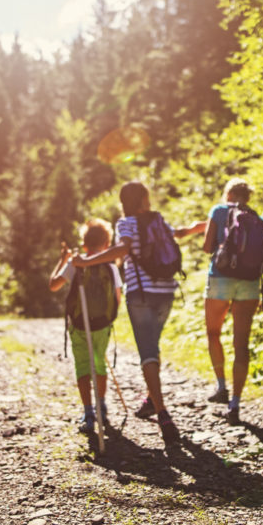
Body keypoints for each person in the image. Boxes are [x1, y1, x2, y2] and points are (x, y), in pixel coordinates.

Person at [73, 181, 204, 444]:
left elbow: (124, 249)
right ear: (144, 199)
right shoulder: (157, 220)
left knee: (147, 352)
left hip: (141, 293)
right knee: (152, 347)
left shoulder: (127, 223)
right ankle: (150, 400)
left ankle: (163, 413)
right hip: (167, 290)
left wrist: (87, 261)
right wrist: (200, 227)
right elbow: (178, 233)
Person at [49, 219, 122, 434]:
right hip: (102, 324)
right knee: (99, 362)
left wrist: (63, 260)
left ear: (84, 242)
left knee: (82, 365)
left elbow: (53, 285)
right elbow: (117, 298)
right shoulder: (110, 266)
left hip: (80, 324)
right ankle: (102, 405)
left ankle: (88, 411)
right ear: (107, 242)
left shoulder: (75, 263)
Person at [201, 178, 262, 425]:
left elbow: (207, 247)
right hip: (249, 282)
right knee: (242, 343)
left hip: (220, 279)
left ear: (228, 194)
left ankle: (221, 386)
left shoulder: (218, 210)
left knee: (213, 332)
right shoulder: (257, 218)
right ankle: (235, 403)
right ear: (247, 196)